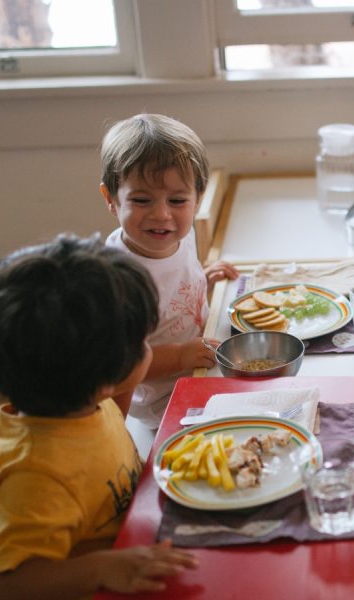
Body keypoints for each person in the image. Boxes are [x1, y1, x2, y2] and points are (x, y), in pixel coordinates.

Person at [0, 234, 198, 599]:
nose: (148, 348)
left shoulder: (81, 402)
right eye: (142, 342)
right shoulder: (37, 474)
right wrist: (101, 567)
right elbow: (9, 583)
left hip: (139, 536)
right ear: (106, 378)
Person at [100, 113, 239, 428]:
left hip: (202, 366)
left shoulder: (181, 233)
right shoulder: (118, 279)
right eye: (142, 199)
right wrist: (179, 356)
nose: (162, 214)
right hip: (163, 404)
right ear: (111, 199)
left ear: (197, 199)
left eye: (177, 200)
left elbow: (172, 286)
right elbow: (119, 364)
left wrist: (202, 275)